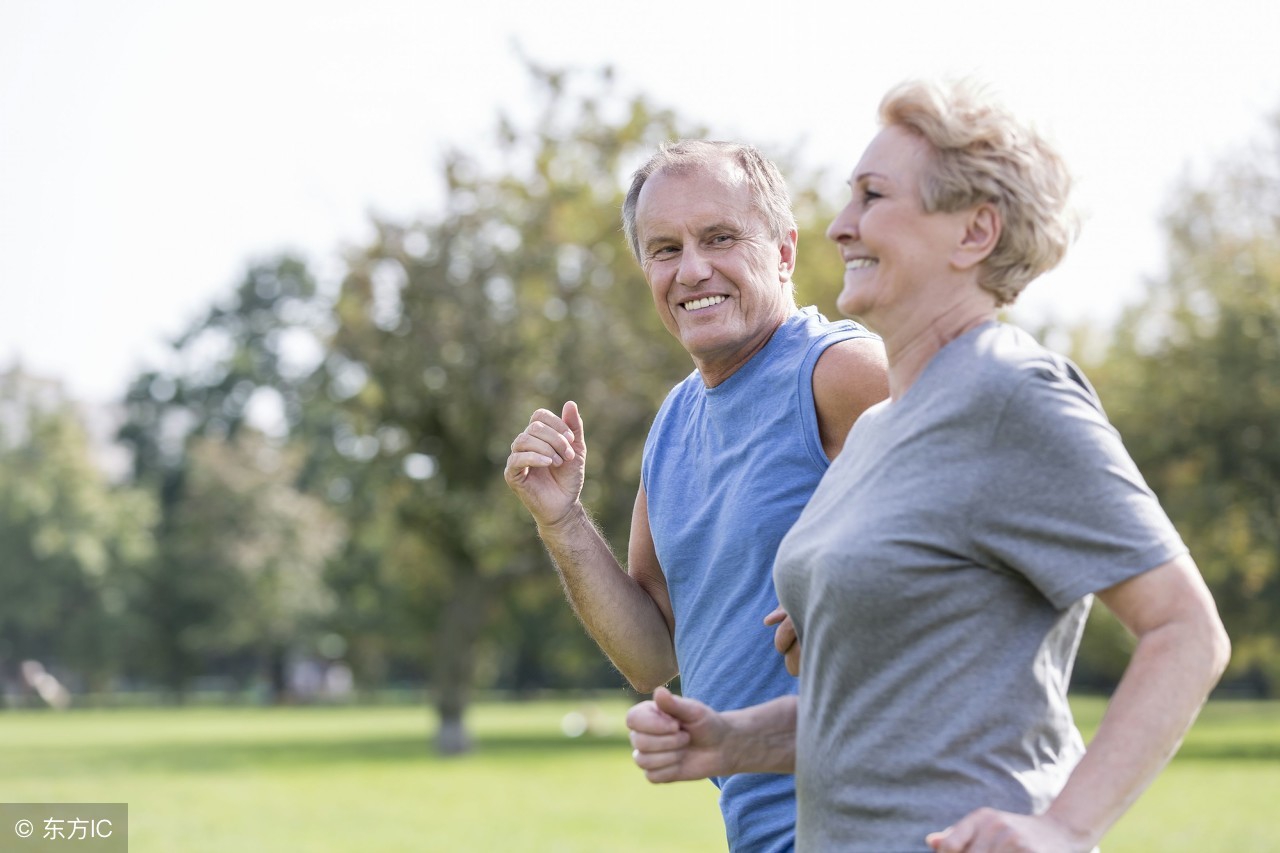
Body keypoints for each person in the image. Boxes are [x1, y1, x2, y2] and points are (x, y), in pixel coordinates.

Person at [626, 80, 1231, 852]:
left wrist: (1065, 824)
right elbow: (900, 706)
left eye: (872, 197)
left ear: (974, 231)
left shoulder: (1010, 392)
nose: (840, 227)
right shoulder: (881, 425)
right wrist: (732, 739)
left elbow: (1187, 629)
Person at [504, 140, 889, 851]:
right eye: (665, 248)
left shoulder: (842, 374)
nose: (692, 269)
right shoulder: (673, 426)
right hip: (763, 829)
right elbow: (655, 655)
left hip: (883, 821)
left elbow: (985, 534)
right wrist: (563, 521)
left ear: (782, 250)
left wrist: (862, 594)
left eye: (719, 237)